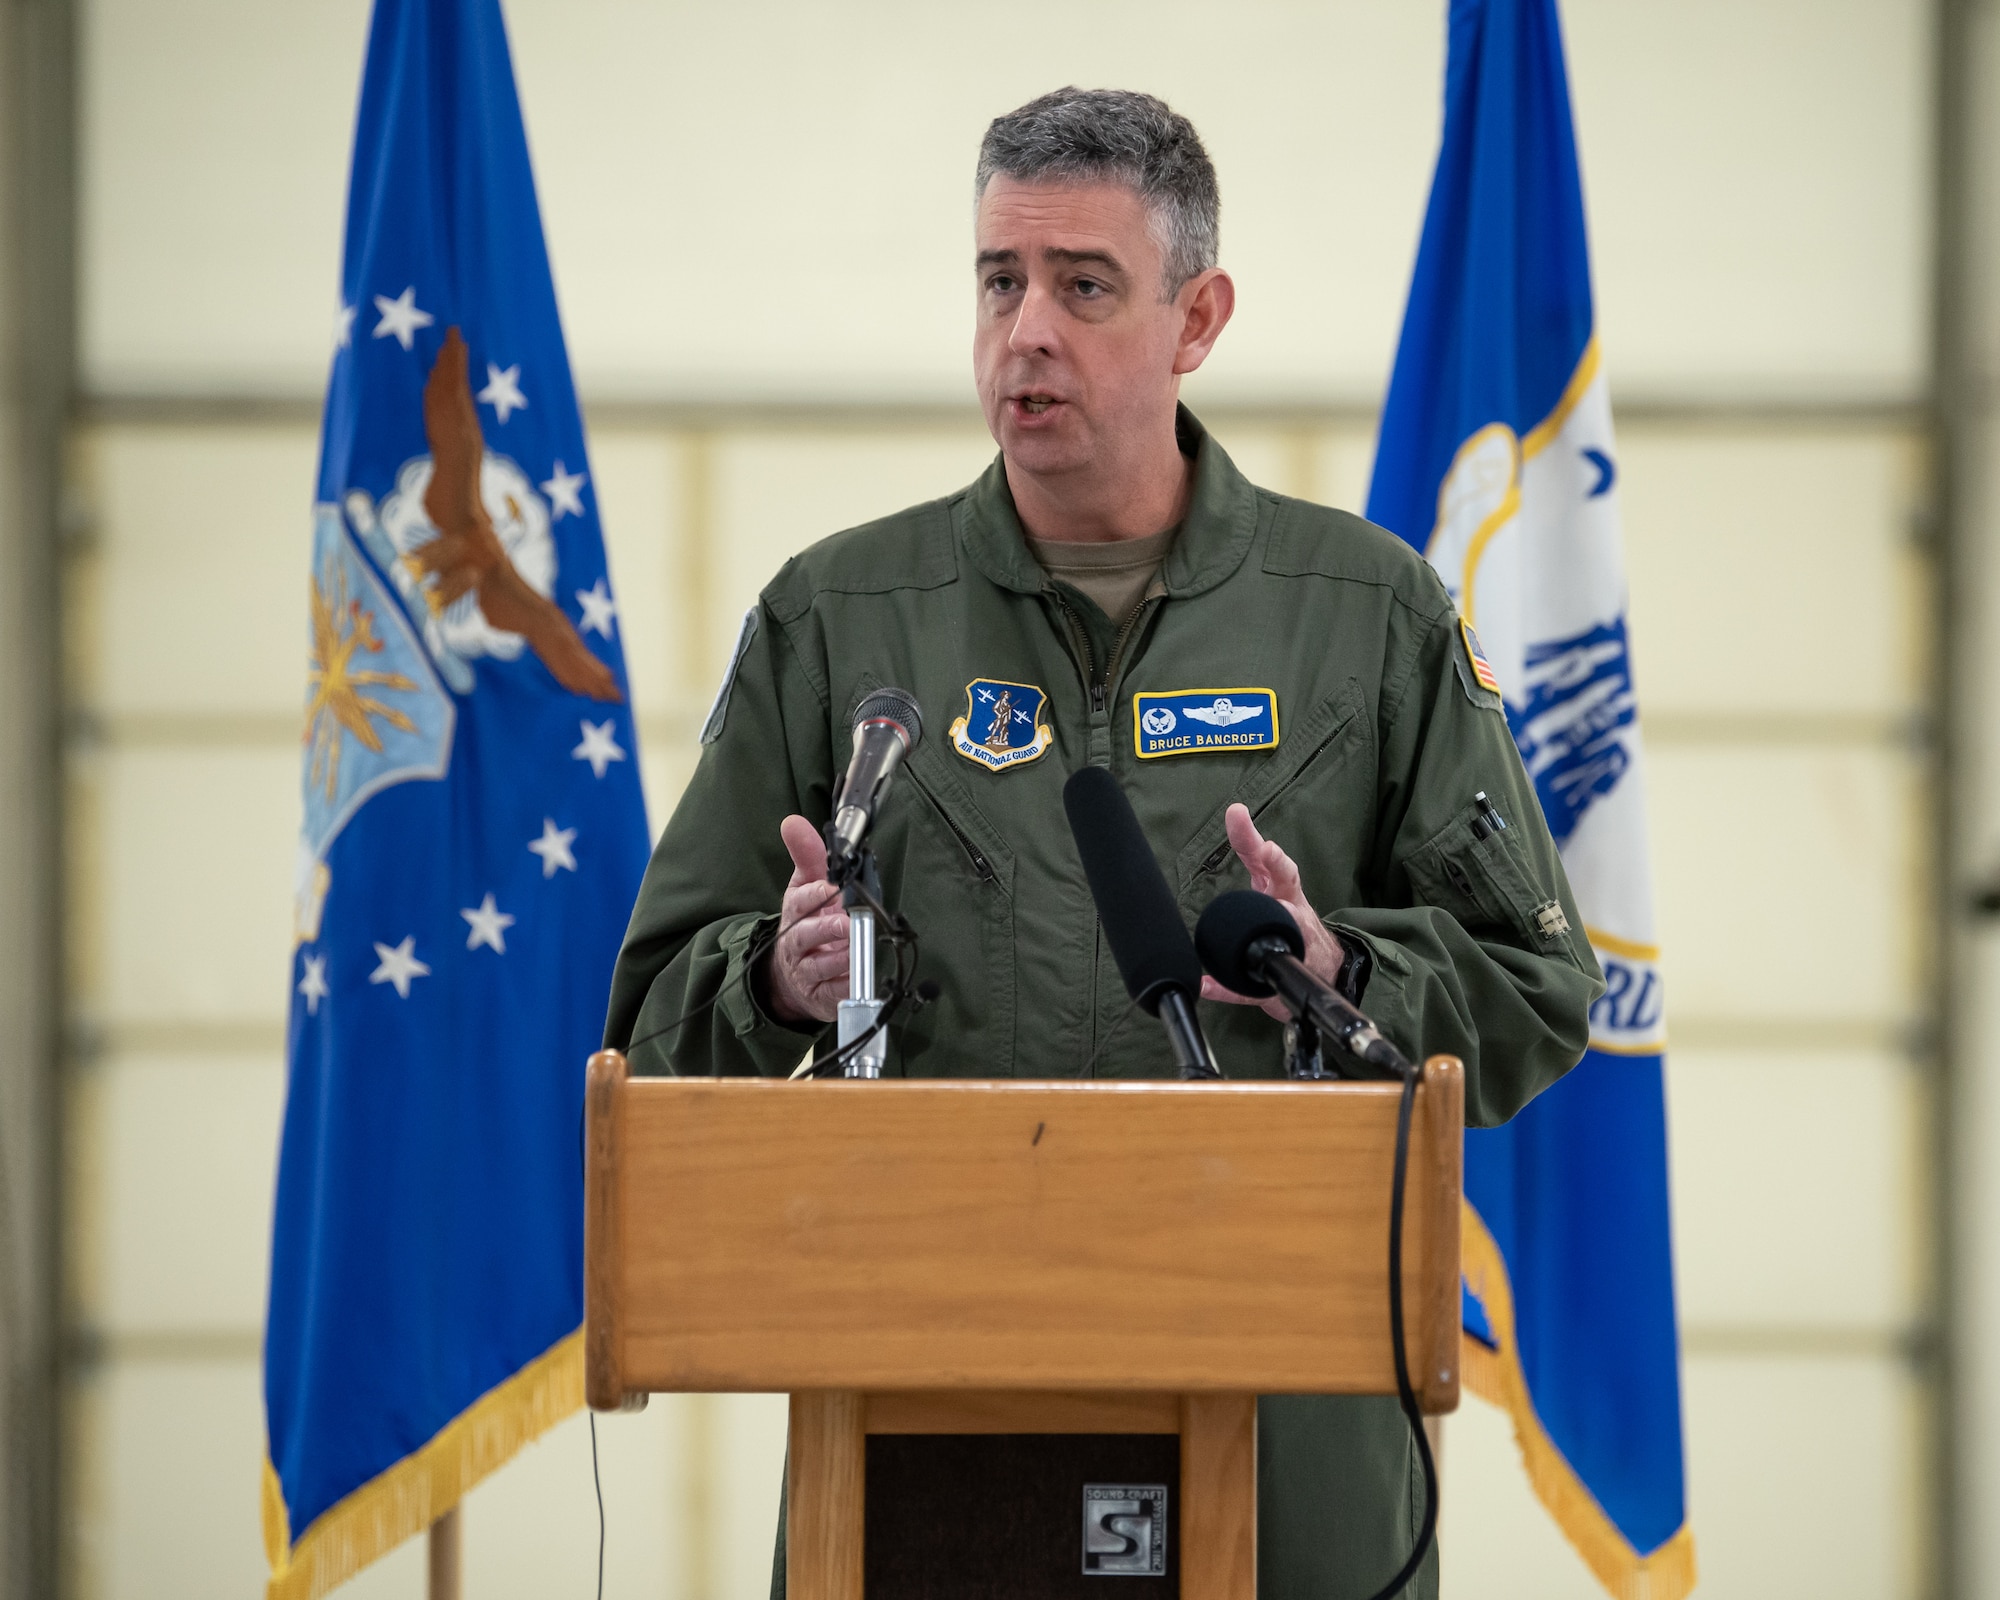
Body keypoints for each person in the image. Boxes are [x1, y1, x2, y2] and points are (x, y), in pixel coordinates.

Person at [604, 86, 1601, 1600]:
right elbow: (650, 1023)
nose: (1027, 334)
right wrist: (781, 980)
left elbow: (1540, 993)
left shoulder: (1369, 616)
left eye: (1084, 286)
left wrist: (1339, 968)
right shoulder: (840, 619)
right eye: (999, 281)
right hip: (925, 1414)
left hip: (1287, 1428)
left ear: (1198, 317)